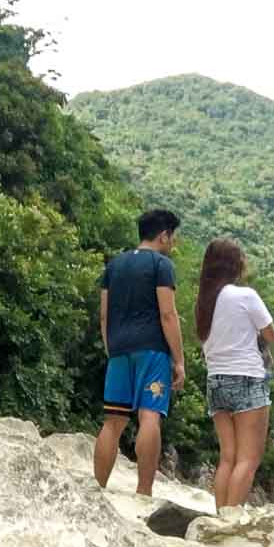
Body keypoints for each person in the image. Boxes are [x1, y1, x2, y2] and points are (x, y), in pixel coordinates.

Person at [93, 209, 186, 493]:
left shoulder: (114, 265)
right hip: (152, 350)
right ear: (163, 235)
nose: (173, 243)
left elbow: (104, 316)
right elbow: (168, 314)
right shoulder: (161, 265)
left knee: (113, 421)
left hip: (119, 349)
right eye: (173, 237)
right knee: (149, 416)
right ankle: (144, 492)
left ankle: (99, 488)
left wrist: (112, 348)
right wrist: (179, 361)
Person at [196, 238, 274, 508]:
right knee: (248, 459)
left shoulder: (204, 302)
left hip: (215, 380)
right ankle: (231, 520)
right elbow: (271, 334)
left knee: (228, 457)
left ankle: (221, 517)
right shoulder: (246, 295)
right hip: (247, 378)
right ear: (236, 265)